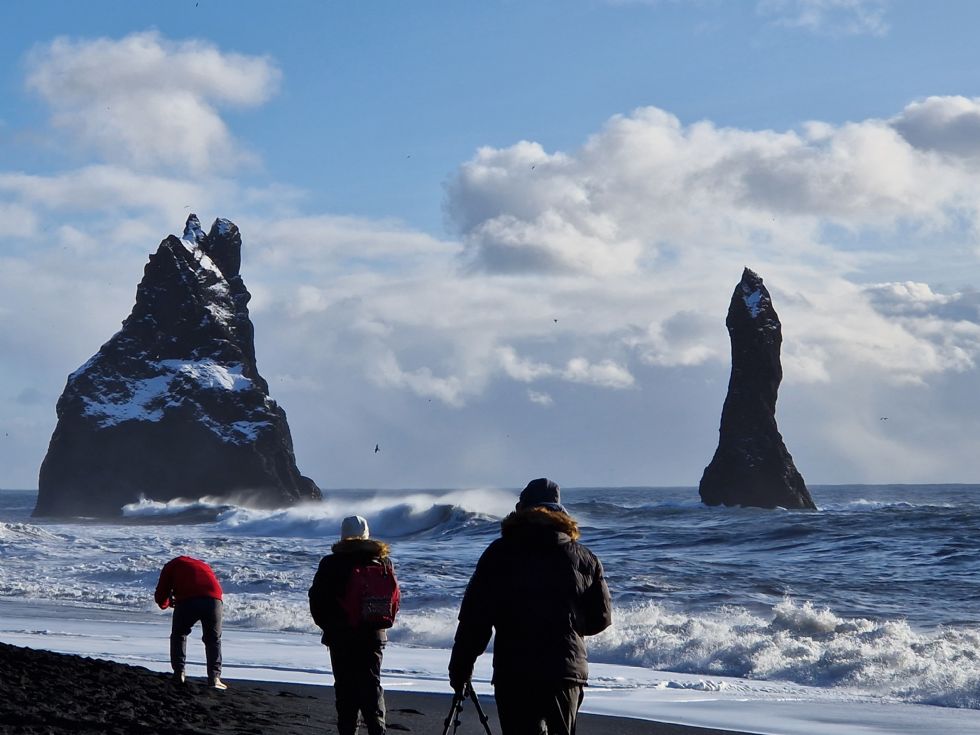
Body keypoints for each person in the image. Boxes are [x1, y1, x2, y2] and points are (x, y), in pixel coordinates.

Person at [448, 478, 612, 735]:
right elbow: (600, 618)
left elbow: (475, 618)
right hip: (565, 672)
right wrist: (569, 626)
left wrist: (460, 667)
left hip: (515, 671)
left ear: (521, 509)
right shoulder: (584, 557)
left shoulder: (499, 553)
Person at [309, 515, 400, 735]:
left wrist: (328, 628)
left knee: (346, 690)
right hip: (374, 634)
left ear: (342, 534)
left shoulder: (332, 562)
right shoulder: (384, 562)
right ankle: (378, 730)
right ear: (367, 534)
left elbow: (317, 600)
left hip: (342, 636)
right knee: (372, 686)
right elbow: (394, 600)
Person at [154, 555, 227, 689]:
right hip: (214, 599)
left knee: (179, 634)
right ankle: (215, 678)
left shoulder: (171, 566)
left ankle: (179, 673)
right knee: (213, 639)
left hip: (189, 600)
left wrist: (167, 603)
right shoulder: (203, 565)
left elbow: (160, 595)